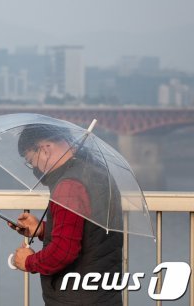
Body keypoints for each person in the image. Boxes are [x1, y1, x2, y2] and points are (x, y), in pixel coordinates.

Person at [9, 124, 123, 306]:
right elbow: (90, 231)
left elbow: (64, 252)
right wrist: (43, 230)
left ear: (45, 149)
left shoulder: (68, 186)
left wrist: (28, 261)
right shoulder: (96, 171)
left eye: (31, 160)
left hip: (75, 297)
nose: (34, 168)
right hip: (103, 294)